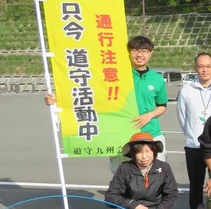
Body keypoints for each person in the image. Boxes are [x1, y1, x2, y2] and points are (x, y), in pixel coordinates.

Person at [44, 35, 169, 168]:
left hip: (151, 132)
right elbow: (88, 91)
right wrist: (58, 99)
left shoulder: (157, 79)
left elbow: (162, 106)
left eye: (144, 51)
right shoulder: (115, 76)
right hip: (121, 133)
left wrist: (149, 115)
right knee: (123, 174)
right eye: (135, 50)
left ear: (150, 53)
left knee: (156, 172)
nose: (139, 55)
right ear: (129, 52)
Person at [176, 52, 211, 209]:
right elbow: (182, 118)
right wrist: (192, 134)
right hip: (194, 146)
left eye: (208, 66)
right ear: (195, 68)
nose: (204, 70)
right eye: (201, 66)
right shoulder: (186, 91)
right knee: (196, 184)